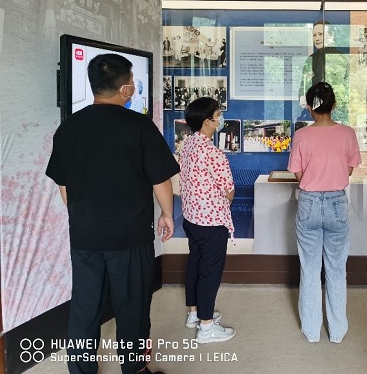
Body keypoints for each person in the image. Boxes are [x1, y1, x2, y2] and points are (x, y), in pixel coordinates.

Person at [45, 53, 180, 374]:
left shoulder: (68, 127)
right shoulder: (140, 126)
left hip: (84, 235)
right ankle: (134, 369)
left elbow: (64, 185)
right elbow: (160, 180)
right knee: (132, 307)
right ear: (124, 89)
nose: (133, 86)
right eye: (132, 81)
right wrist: (167, 214)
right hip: (130, 236)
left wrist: (82, 216)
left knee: (85, 306)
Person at [288, 82, 362, 343]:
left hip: (308, 202)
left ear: (309, 107)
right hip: (336, 203)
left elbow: (298, 173)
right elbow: (349, 169)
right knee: (336, 268)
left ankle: (311, 331)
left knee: (309, 269)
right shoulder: (348, 133)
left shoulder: (301, 135)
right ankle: (337, 331)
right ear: (334, 105)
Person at [179, 97, 236, 344]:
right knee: (210, 272)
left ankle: (195, 312)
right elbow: (229, 191)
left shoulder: (188, 145)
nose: (220, 118)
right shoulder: (213, 153)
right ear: (207, 121)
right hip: (211, 222)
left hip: (191, 218)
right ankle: (206, 327)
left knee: (195, 263)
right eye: (218, 114)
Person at [298, 21, 348, 122]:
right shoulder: (311, 59)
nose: (317, 38)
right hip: (313, 112)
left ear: (331, 35)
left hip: (336, 113)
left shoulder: (341, 57)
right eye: (314, 35)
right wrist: (303, 97)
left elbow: (346, 87)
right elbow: (304, 85)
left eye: (320, 34)